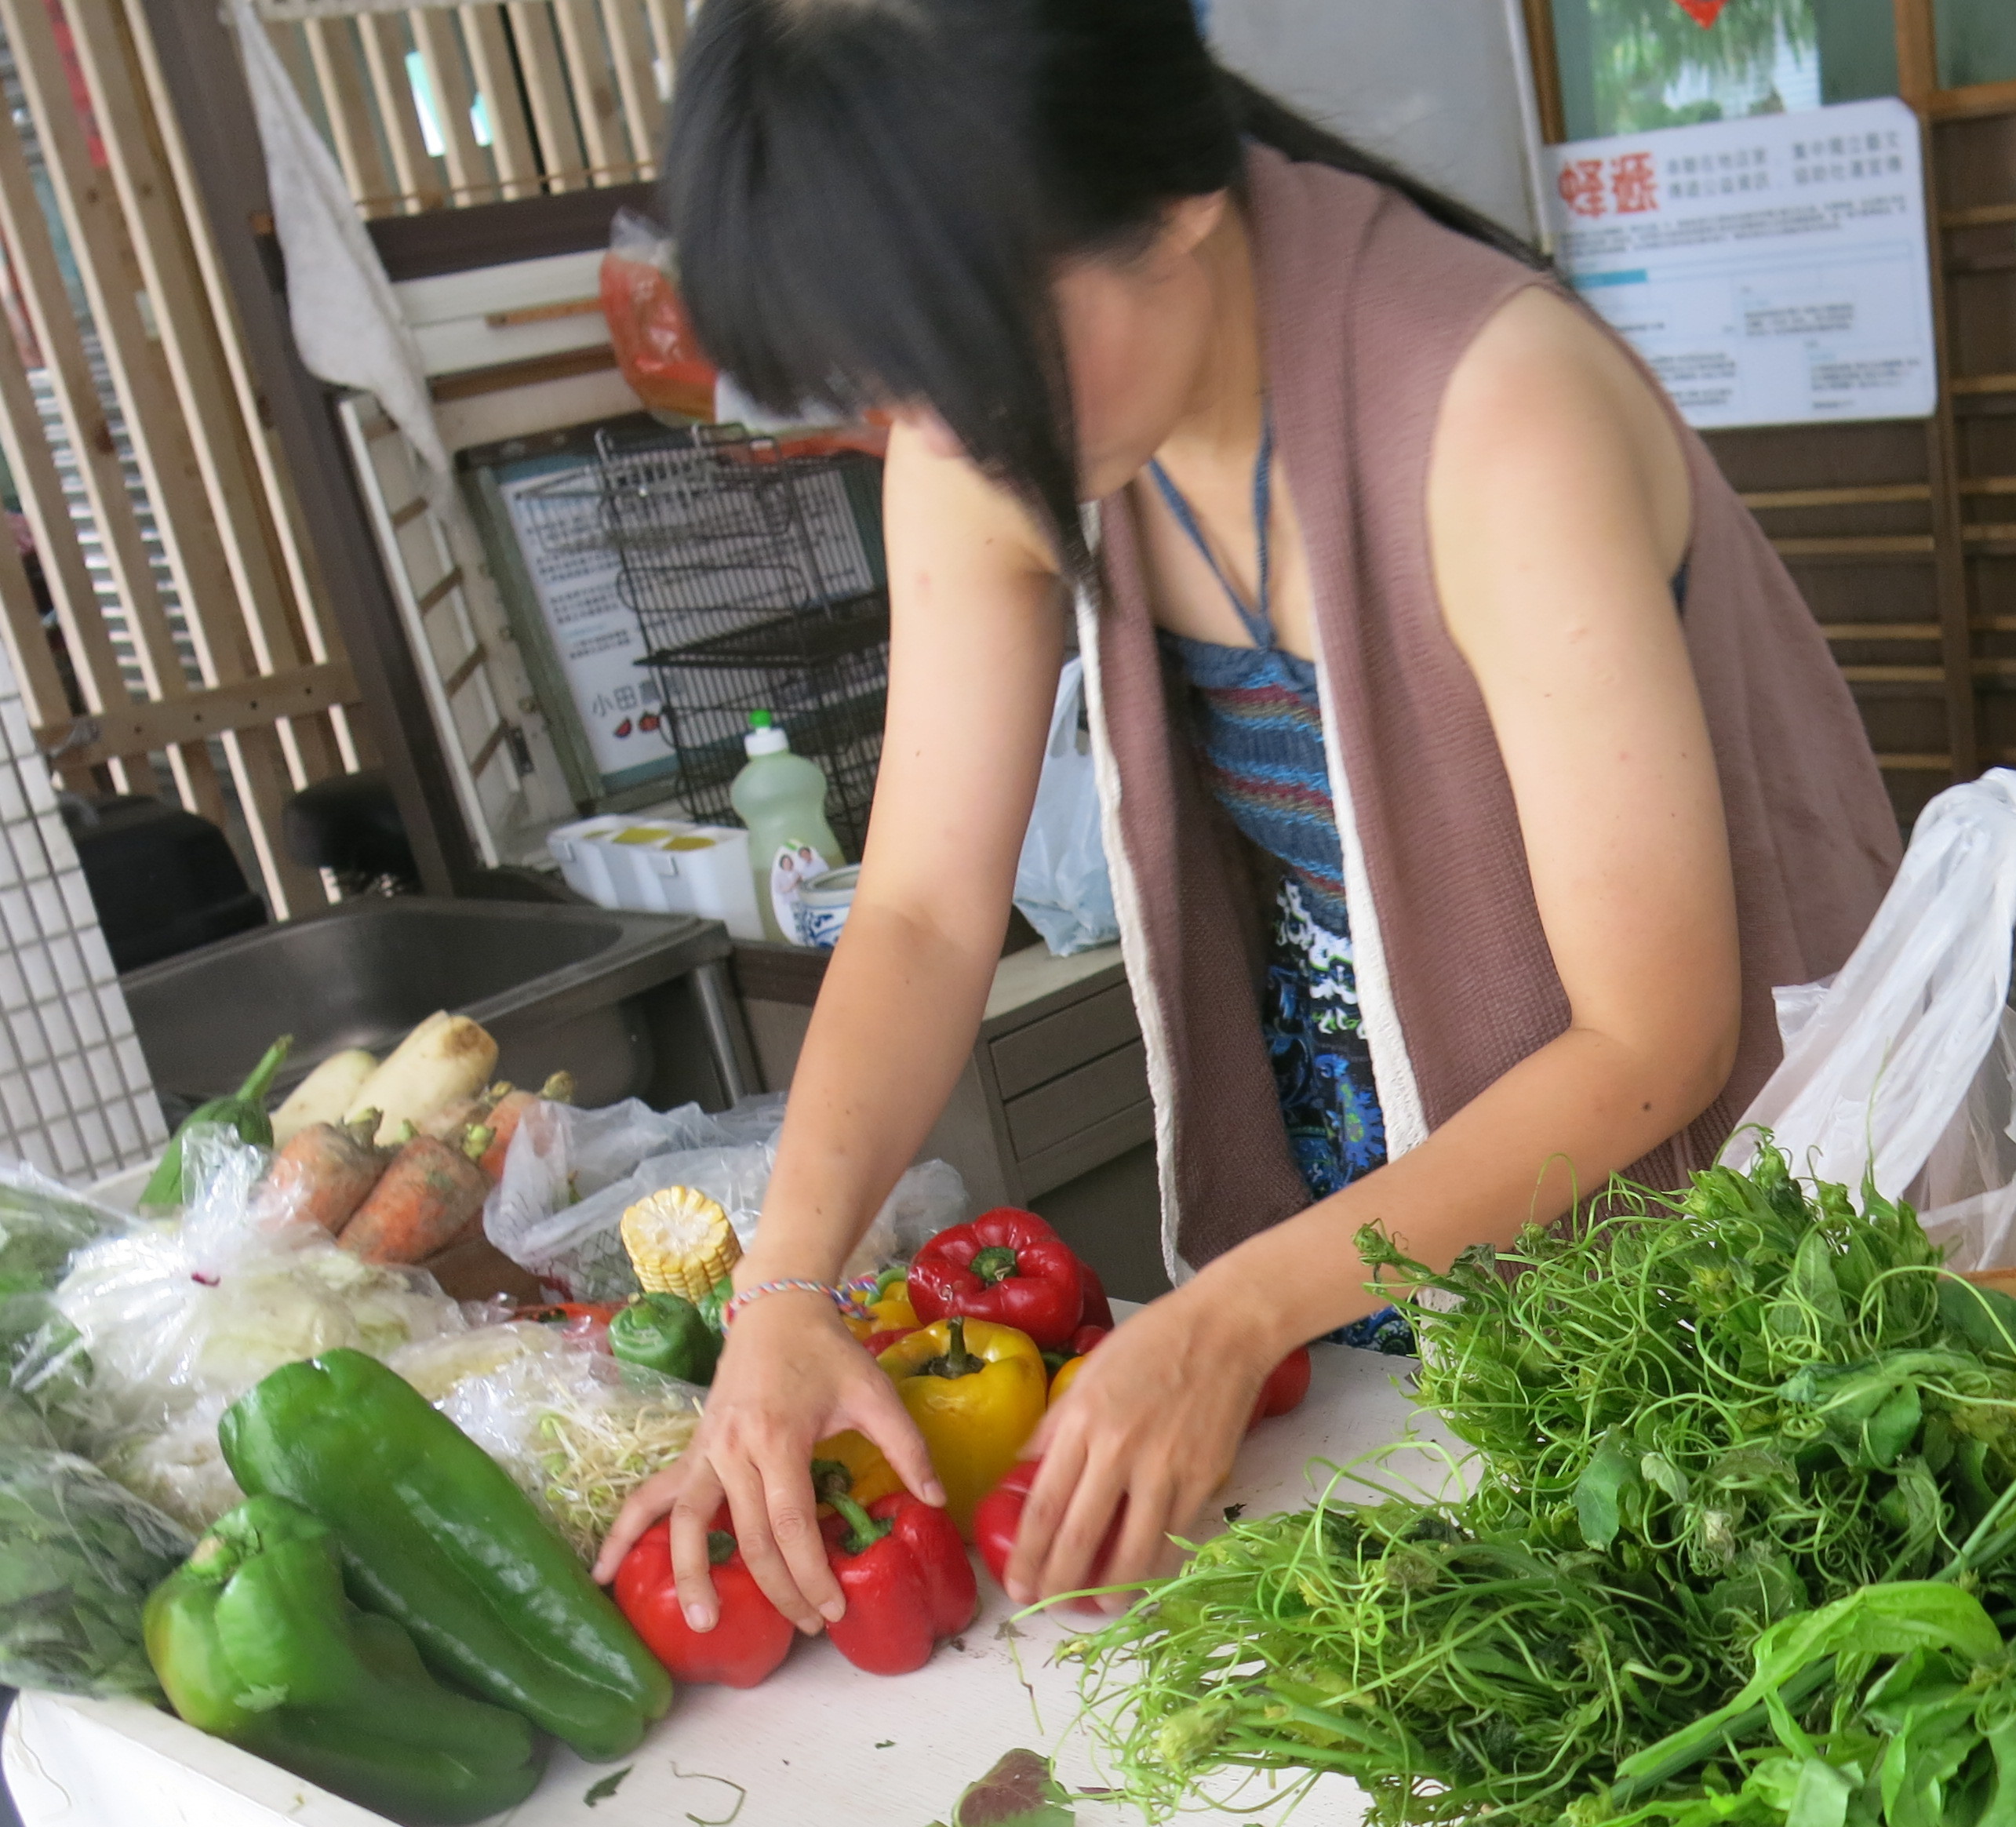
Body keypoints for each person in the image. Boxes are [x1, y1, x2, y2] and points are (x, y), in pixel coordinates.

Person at [592, 0, 1903, 1636]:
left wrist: (1233, 1318)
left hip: (1692, 1120)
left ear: (1172, 200)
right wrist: (782, 1295)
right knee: (1444, 1572)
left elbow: (1653, 1036)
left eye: (966, 356)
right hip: (1372, 1099)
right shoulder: (991, 426)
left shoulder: (1494, 410)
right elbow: (924, 909)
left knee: (1739, 1568)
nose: (935, 440)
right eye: (888, 385)